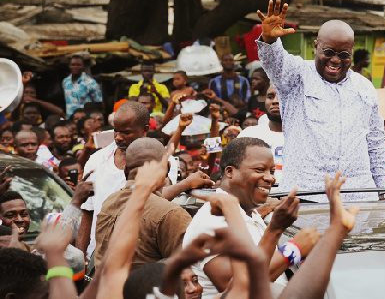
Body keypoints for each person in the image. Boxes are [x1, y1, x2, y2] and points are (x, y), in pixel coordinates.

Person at [256, 0, 385, 201]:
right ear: (316, 46)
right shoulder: (296, 75)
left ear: (352, 53)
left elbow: (375, 143)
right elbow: (275, 63)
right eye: (328, 52)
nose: (336, 60)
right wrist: (269, 41)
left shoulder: (365, 87)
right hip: (306, 196)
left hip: (359, 199)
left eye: (344, 55)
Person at [183, 137, 322, 298]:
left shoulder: (250, 212)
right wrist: (291, 247)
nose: (270, 178)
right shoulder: (212, 221)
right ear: (230, 172)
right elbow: (239, 291)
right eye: (259, 169)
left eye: (272, 171)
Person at [76, 101, 177, 259]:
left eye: (126, 132)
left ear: (144, 130)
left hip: (141, 259)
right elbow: (87, 213)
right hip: (98, 260)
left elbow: (164, 199)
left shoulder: (163, 161)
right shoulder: (96, 161)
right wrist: (80, 256)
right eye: (115, 131)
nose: (118, 137)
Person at [94, 138, 196, 271]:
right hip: (145, 290)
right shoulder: (170, 213)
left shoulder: (110, 202)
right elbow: (188, 268)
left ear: (125, 171)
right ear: (167, 170)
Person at [238, 84, 284, 184]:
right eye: (270, 97)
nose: (275, 101)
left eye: (281, 96)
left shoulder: (307, 136)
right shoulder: (249, 135)